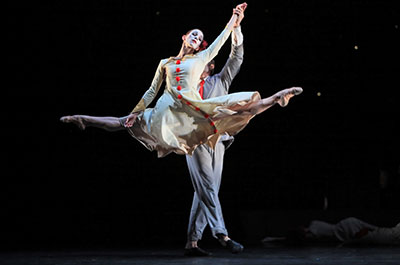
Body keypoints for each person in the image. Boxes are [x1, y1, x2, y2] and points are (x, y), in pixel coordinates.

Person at [60, 2, 302, 159]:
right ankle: (84, 119)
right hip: (167, 111)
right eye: (193, 34)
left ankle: (277, 97)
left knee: (240, 106)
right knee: (125, 122)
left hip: (192, 108)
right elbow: (152, 89)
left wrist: (234, 19)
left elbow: (220, 40)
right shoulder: (165, 62)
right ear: (184, 37)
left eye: (200, 37)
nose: (197, 38)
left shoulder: (201, 59)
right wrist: (137, 111)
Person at [183, 4, 246, 257]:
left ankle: (192, 242)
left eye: (211, 61)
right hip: (194, 139)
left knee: (207, 189)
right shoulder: (186, 83)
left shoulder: (220, 81)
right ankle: (222, 234)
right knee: (207, 186)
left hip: (217, 140)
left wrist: (236, 27)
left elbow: (236, 58)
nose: (208, 62)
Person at [261, 217, 400, 246]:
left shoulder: (313, 227)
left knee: (375, 231)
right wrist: (273, 239)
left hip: (345, 227)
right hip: (344, 228)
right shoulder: (311, 233)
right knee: (374, 232)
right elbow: (285, 238)